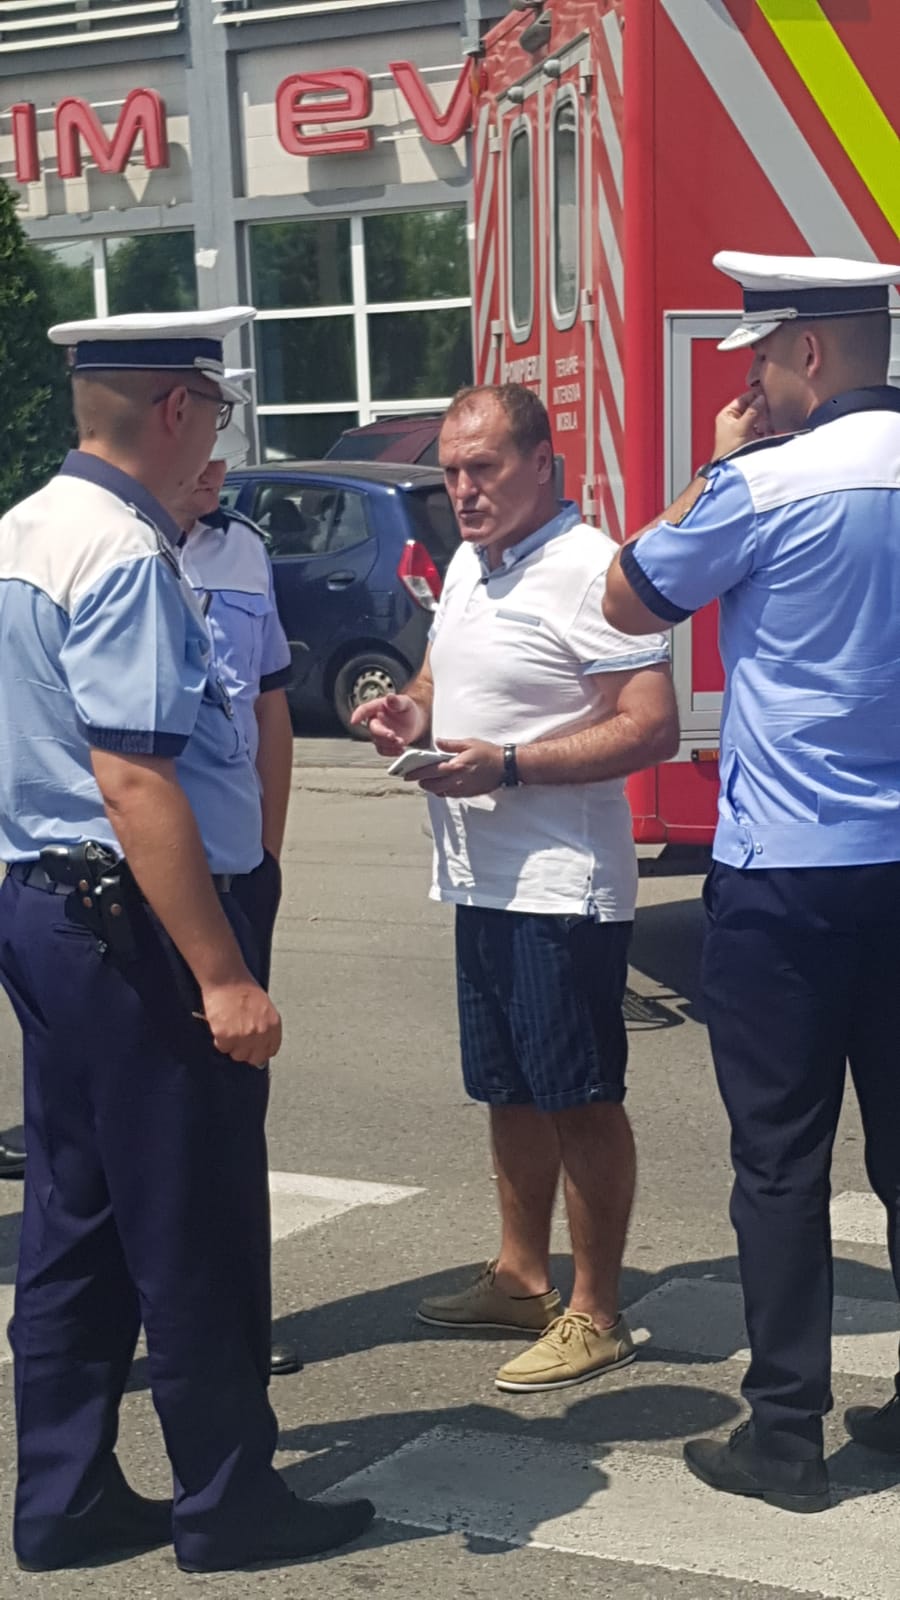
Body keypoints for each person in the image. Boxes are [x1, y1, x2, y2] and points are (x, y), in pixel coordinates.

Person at [0, 308, 373, 1572]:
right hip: (134, 928)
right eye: (212, 406)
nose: (217, 429)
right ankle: (227, 1501)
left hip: (46, 910)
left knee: (75, 1216)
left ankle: (63, 1497)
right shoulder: (124, 552)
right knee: (196, 1218)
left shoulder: (24, 530)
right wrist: (222, 972)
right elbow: (135, 778)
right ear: (174, 409)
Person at [602, 251, 900, 1513]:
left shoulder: (762, 482)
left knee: (781, 1163)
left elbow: (627, 598)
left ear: (810, 353)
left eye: (766, 360)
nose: (758, 386)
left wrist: (710, 466)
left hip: (787, 875)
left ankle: (786, 1436)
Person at [352, 384, 678, 1393]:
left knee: (580, 1097)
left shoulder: (594, 569)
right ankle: (521, 1276)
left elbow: (651, 725)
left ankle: (597, 1311)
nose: (464, 489)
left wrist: (513, 765)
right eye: (453, 471)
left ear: (544, 462)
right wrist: (408, 712)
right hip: (479, 877)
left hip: (560, 886)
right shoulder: (470, 561)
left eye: (483, 467)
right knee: (508, 1088)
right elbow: (438, 678)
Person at [173, 415, 299, 1376]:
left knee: (229, 1113)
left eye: (230, 453)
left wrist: (267, 856)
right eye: (205, 451)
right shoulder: (105, 545)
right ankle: (152, 1321)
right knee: (139, 1120)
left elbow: (269, 707)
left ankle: (234, 1328)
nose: (218, 470)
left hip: (236, 871)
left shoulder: (244, 551)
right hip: (133, 885)